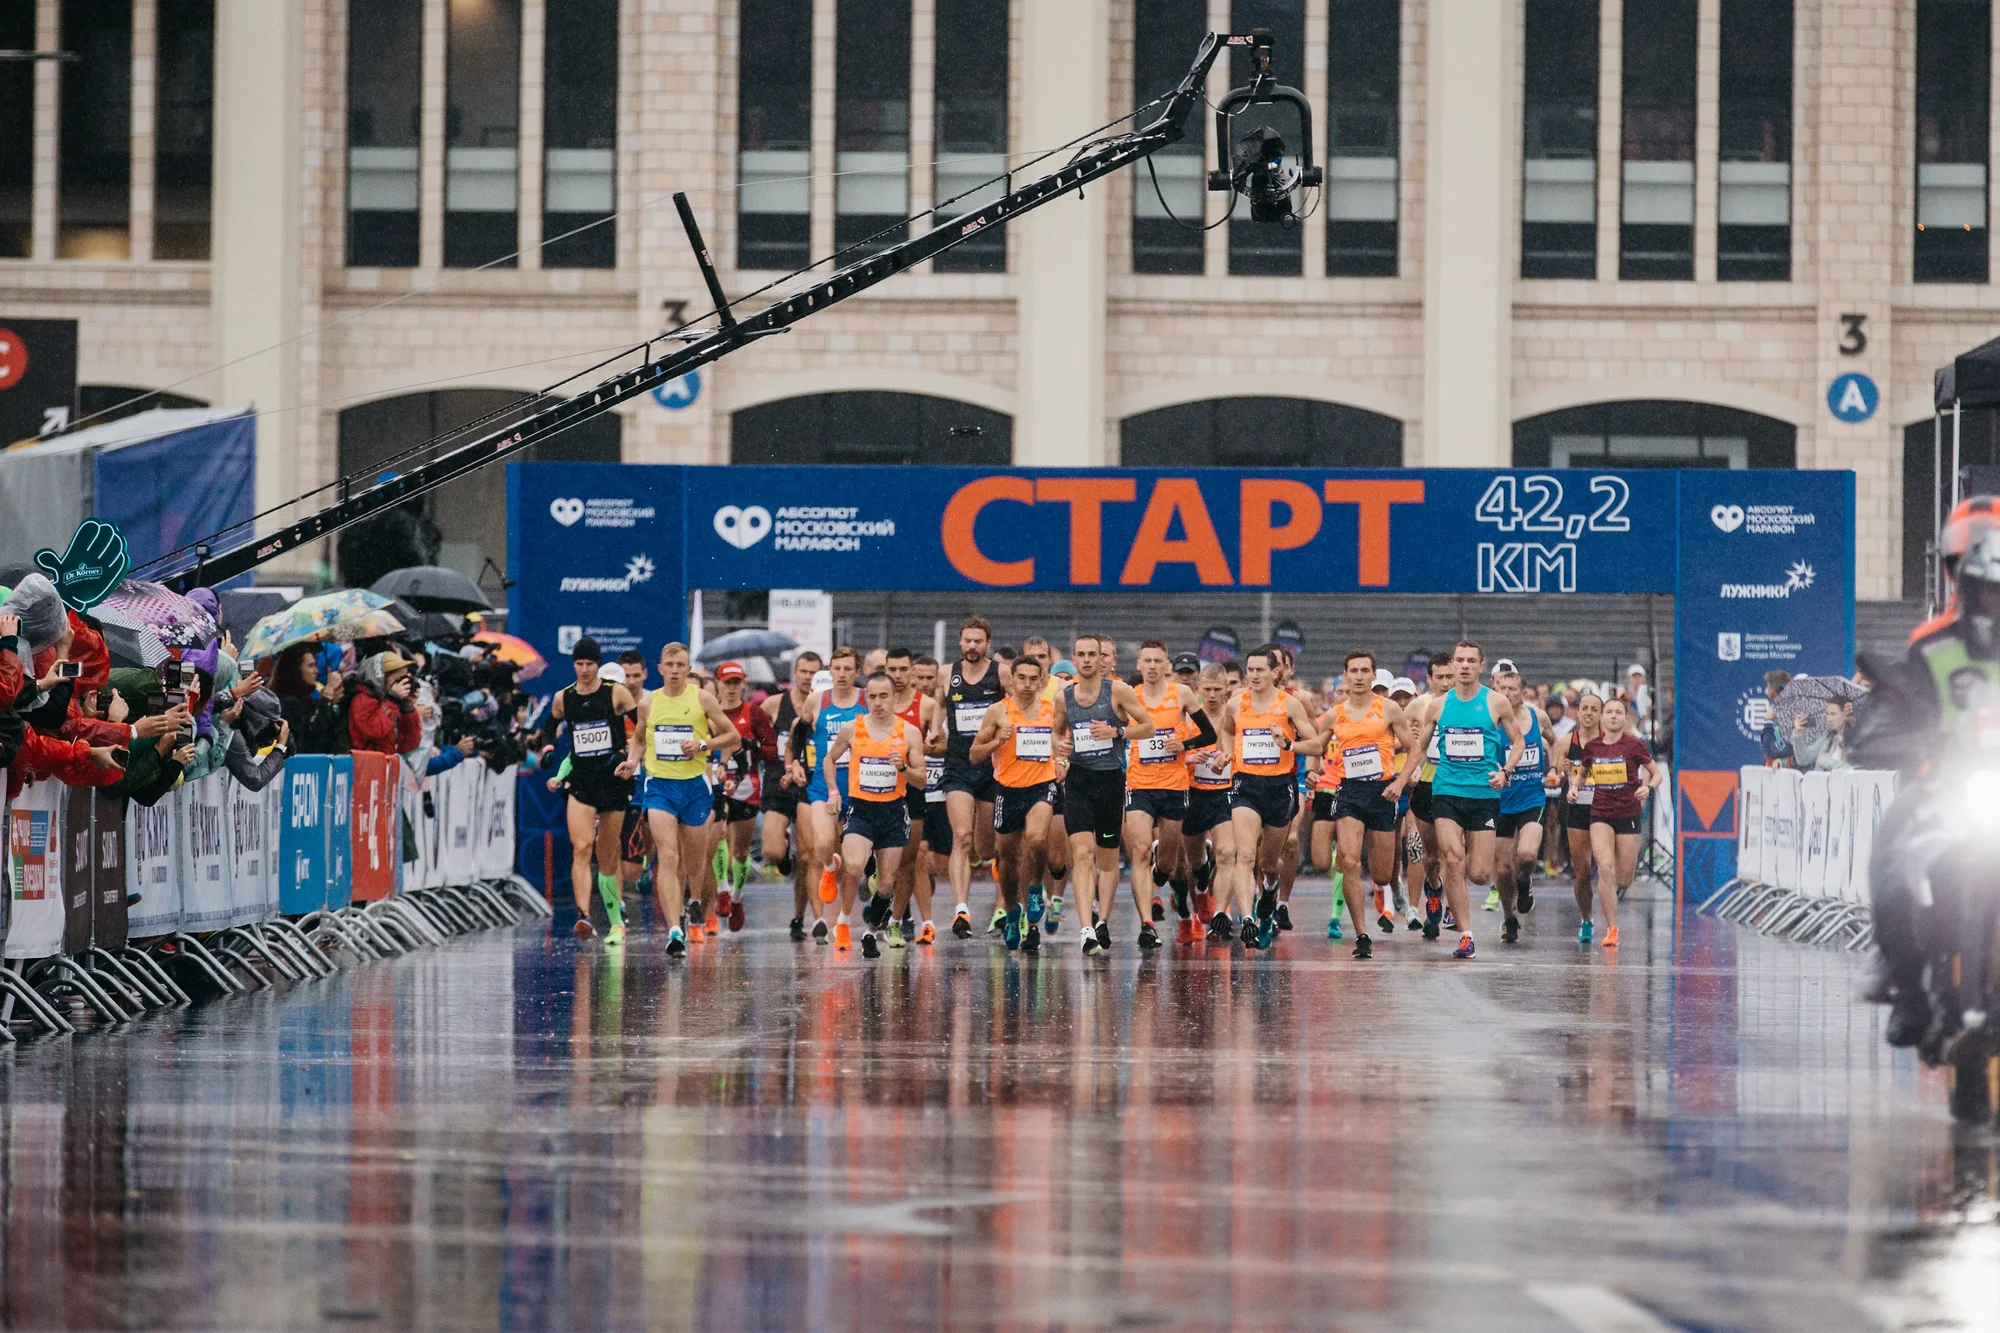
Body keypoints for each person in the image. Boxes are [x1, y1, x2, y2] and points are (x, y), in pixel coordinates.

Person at [1849, 529, 2000, 1047]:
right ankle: (1908, 990)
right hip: (1945, 786)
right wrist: (1888, 736)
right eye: (1988, 591)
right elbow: (1899, 705)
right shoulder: (1931, 645)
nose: (1995, 604)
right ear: (1968, 588)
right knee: (1890, 857)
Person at [1387, 640, 1526, 960]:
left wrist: (1505, 771)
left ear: (1481, 665)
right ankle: (1465, 935)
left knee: (1478, 873)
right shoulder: (1436, 706)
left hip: (1483, 794)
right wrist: (1402, 777)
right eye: (1459, 660)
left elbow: (1517, 742)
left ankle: (1455, 892)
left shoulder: (1496, 703)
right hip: (1446, 790)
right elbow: (1417, 747)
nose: (1464, 666)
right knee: (1451, 857)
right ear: (1453, 664)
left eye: (1470, 661)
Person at [618, 642, 740, 958]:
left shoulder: (702, 699)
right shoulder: (648, 703)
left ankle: (688, 903)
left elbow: (733, 737)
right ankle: (674, 930)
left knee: (694, 864)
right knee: (668, 856)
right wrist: (632, 761)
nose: (674, 670)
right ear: (659, 669)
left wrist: (703, 745)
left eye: (680, 665)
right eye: (669, 665)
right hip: (659, 786)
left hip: (695, 788)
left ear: (688, 669)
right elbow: (639, 738)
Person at [1052, 633, 1156, 955]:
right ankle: (1086, 930)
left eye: (1091, 654)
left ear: (1102, 660)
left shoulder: (1118, 692)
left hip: (1110, 782)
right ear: (1074, 657)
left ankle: (1103, 919)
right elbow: (1056, 732)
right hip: (1079, 781)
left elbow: (1148, 726)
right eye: (1080, 654)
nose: (1085, 660)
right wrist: (1059, 753)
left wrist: (1117, 731)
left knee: (1107, 860)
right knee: (1081, 855)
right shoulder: (1063, 697)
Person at [1213, 647, 1321, 948]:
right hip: (1245, 785)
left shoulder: (1290, 705)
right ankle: (1247, 918)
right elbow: (1228, 731)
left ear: (1275, 672)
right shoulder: (1236, 704)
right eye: (1251, 669)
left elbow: (1315, 746)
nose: (1254, 675)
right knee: (1245, 855)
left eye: (1261, 670)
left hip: (1280, 788)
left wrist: (1287, 743)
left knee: (1269, 861)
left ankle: (1271, 888)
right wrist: (1227, 754)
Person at [1315, 649, 1418, 959]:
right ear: (1345, 675)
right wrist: (1299, 755)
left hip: (1382, 792)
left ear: (1373, 676)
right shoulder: (1335, 714)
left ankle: (1393, 888)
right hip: (1348, 792)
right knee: (1348, 860)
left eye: (1364, 671)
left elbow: (1414, 750)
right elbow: (1316, 746)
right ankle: (1362, 934)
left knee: (1382, 874)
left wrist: (1399, 783)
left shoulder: (1388, 710)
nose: (1358, 676)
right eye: (1353, 671)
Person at [820, 671, 926, 958]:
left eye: (883, 696)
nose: (877, 703)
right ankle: (845, 918)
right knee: (854, 866)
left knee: (887, 882)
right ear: (866, 697)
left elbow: (922, 780)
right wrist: (833, 792)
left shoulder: (909, 732)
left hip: (893, 811)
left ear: (894, 698)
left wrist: (903, 768)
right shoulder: (853, 729)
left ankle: (871, 930)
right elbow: (829, 760)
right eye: (872, 697)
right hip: (862, 809)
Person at [1123, 640, 1215, 948]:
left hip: (1174, 786)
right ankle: (1147, 924)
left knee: (1169, 865)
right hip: (1139, 783)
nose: (1151, 666)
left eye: (1157, 661)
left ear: (1167, 666)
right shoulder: (1127, 696)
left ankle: (1168, 876)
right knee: (1139, 850)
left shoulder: (1182, 694)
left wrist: (1184, 746)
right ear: (1138, 665)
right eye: (1146, 660)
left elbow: (1209, 734)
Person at [546, 638, 639, 943]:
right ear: (573, 665)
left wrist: (629, 756)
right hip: (582, 783)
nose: (584, 670)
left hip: (613, 781)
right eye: (579, 664)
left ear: (598, 664)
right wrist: (548, 748)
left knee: (607, 856)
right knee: (582, 847)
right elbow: (550, 725)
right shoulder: (564, 697)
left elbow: (643, 728)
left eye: (589, 664)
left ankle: (615, 921)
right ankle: (583, 916)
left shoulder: (616, 694)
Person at [968, 654, 1060, 951]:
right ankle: (1010, 912)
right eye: (1022, 678)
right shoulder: (998, 712)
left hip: (1041, 786)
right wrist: (997, 741)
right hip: (1008, 790)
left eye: (1034, 679)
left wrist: (1062, 760)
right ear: (1012, 680)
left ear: (1042, 680)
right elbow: (974, 754)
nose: (1028, 685)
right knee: (1006, 861)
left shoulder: (1052, 710)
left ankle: (1035, 888)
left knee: (1035, 840)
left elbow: (1065, 744)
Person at [1576, 696, 1660, 949]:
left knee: (1623, 879)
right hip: (1600, 813)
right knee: (1604, 867)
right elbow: (1581, 776)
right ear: (1602, 717)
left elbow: (1656, 774)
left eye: (1618, 713)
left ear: (1625, 719)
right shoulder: (1592, 747)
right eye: (1609, 712)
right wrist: (1573, 789)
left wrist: (1647, 788)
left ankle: (1617, 889)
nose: (1613, 716)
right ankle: (1612, 928)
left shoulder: (1634, 745)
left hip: (1628, 814)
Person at [939, 617, 1005, 939]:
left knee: (986, 846)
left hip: (992, 767)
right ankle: (960, 909)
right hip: (958, 764)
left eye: (978, 641)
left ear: (987, 643)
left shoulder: (1000, 674)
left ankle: (997, 878)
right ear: (960, 641)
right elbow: (937, 714)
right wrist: (933, 733)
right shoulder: (946, 673)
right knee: (962, 837)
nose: (972, 646)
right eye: (967, 640)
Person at [876, 647, 943, 947]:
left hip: (912, 789)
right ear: (885, 670)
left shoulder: (926, 706)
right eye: (893, 670)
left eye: (904, 670)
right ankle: (875, 882)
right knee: (877, 859)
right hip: (875, 788)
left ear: (912, 672)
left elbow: (942, 746)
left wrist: (923, 749)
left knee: (909, 859)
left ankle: (896, 920)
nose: (898, 676)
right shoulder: (874, 702)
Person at [801, 648, 867, 940]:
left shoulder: (867, 701)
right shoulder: (817, 700)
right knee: (823, 844)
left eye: (847, 669)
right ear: (830, 671)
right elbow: (804, 724)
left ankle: (844, 920)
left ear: (857, 672)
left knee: (856, 861)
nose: (841, 674)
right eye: (836, 669)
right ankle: (830, 866)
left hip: (859, 786)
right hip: (822, 784)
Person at [1491, 666, 1558, 944]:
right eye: (1502, 689)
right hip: (1500, 801)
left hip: (1531, 797)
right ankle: (1509, 918)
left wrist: (1554, 768)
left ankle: (1526, 881)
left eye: (1512, 689)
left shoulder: (1537, 716)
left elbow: (1555, 742)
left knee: (1528, 856)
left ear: (1523, 693)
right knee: (1503, 869)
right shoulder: (1490, 721)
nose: (1507, 694)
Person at [710, 660, 777, 930]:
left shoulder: (753, 713)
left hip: (747, 785)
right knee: (717, 831)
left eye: (736, 682)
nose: (731, 688)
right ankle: (723, 890)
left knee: (740, 850)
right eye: (727, 682)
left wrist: (752, 748)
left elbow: (771, 748)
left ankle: (737, 897)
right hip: (716, 780)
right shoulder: (708, 712)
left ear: (743, 684)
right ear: (717, 683)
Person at [762, 651, 822, 939]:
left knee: (807, 859)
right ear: (794, 673)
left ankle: (799, 917)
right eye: (803, 672)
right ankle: (784, 855)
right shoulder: (775, 704)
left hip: (809, 787)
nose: (808, 677)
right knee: (771, 853)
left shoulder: (825, 707)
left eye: (814, 672)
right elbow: (754, 729)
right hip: (778, 783)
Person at [1183, 663, 1236, 933]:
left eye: (1218, 689)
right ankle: (1202, 887)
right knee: (1195, 862)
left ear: (1227, 687)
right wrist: (1193, 757)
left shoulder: (1234, 716)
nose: (1213, 695)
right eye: (1207, 689)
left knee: (1227, 853)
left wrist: (1228, 758)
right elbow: (1175, 754)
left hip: (1224, 794)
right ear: (1198, 688)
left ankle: (1220, 915)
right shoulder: (1189, 717)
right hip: (1193, 793)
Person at [274, 642, 348, 755]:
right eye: (311, 666)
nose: (316, 671)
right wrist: (327, 693)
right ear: (296, 668)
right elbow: (311, 737)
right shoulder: (287, 702)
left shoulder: (306, 699)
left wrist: (331, 703)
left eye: (316, 665)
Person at [348, 651, 424, 756]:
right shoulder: (362, 699)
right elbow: (373, 730)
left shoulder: (390, 703)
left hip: (385, 765)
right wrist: (392, 700)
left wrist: (408, 708)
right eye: (398, 679)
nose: (402, 684)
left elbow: (410, 744)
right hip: (365, 765)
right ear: (382, 677)